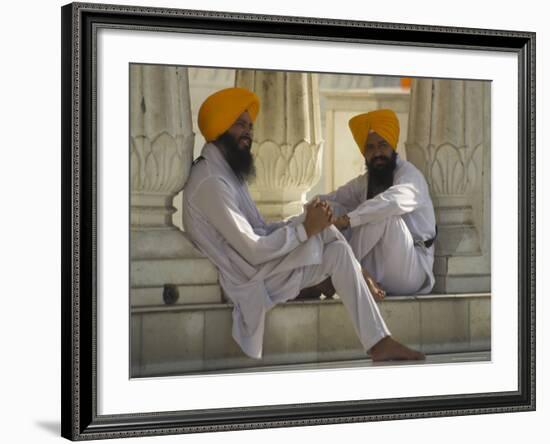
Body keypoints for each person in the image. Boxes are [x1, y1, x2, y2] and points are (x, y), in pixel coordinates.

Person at [182, 87, 424, 362]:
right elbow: (253, 249)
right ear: (220, 126)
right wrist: (304, 229)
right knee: (329, 241)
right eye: (240, 124)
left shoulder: (225, 172)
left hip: (257, 268)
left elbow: (259, 229)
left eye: (250, 126)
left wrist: (307, 221)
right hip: (246, 277)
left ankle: (378, 341)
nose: (248, 132)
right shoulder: (212, 182)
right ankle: (355, 301)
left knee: (334, 247)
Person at [314, 109, 437, 298]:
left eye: (382, 145)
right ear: (364, 153)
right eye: (370, 147)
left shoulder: (411, 176)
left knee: (382, 214)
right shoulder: (364, 182)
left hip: (410, 270)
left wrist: (347, 220)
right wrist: (312, 212)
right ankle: (325, 271)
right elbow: (332, 198)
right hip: (375, 266)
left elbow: (391, 202)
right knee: (329, 208)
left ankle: (336, 274)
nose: (377, 152)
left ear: (393, 146)